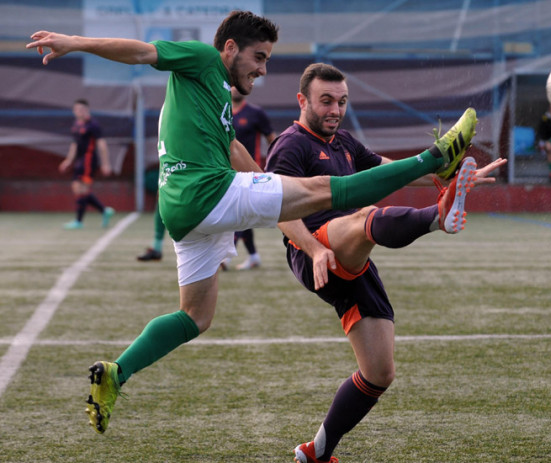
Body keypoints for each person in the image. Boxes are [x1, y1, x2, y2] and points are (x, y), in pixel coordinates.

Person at [27, 10, 478, 436]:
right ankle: (435, 157)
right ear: (228, 48)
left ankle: (116, 373)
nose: (262, 69)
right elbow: (143, 52)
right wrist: (74, 43)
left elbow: (235, 152)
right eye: (258, 57)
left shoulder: (209, 95)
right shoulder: (202, 59)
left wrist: (269, 183)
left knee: (195, 316)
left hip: (184, 211)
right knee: (322, 190)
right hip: (206, 192)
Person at [265, 63, 506, 463]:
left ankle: (316, 452)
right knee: (364, 216)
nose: (335, 110)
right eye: (325, 101)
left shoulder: (343, 142)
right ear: (302, 100)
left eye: (341, 101)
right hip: (315, 252)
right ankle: (436, 217)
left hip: (352, 255)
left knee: (379, 372)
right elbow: (277, 209)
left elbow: (388, 172)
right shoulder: (291, 145)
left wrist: (454, 176)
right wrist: (313, 249)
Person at [222, 86, 277, 270]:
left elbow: (272, 140)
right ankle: (253, 256)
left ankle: (225, 258)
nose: (236, 89)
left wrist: (276, 163)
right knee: (242, 214)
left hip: (249, 173)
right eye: (232, 85)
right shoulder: (223, 112)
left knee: (240, 213)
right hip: (226, 173)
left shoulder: (256, 113)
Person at [59, 99, 114, 229]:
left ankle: (79, 221)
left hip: (89, 162)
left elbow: (102, 145)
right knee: (79, 190)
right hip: (79, 161)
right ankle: (104, 210)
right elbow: (74, 145)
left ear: (87, 110)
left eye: (83, 109)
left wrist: (106, 164)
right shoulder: (76, 125)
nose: (80, 112)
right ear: (74, 111)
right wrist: (68, 160)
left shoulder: (93, 125)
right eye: (77, 109)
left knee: (81, 189)